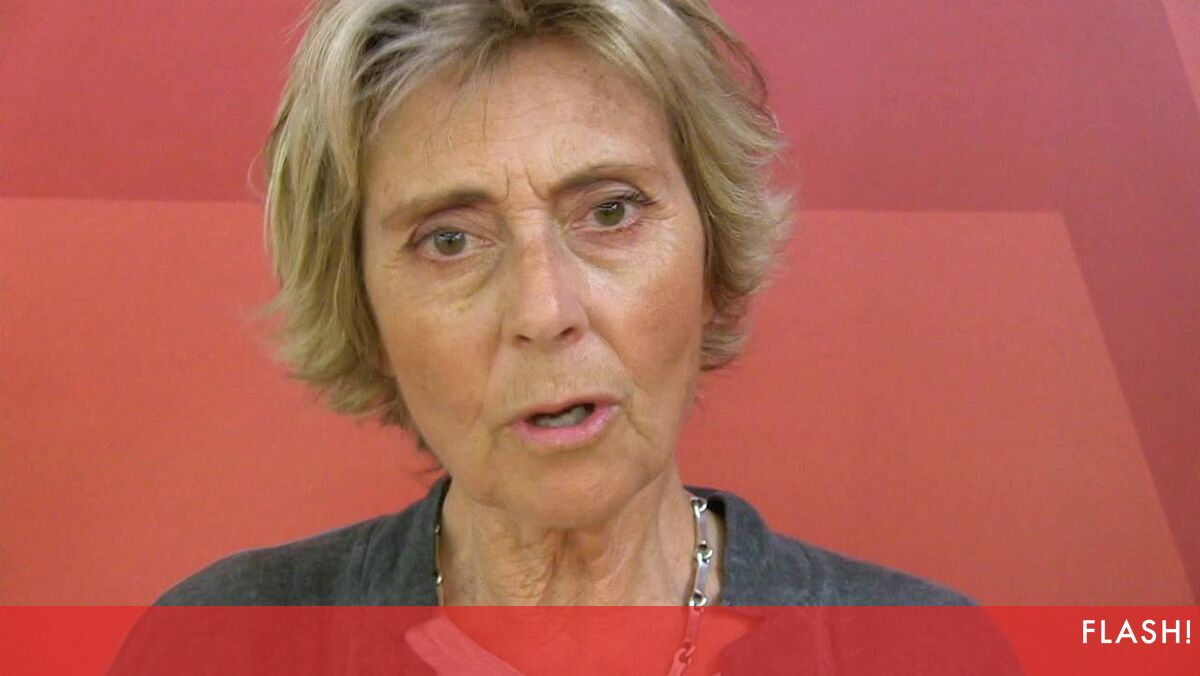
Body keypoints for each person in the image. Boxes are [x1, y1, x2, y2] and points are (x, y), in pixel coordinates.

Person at [133, 1, 1017, 673]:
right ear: (361, 307)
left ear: (712, 253)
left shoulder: (925, 652)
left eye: (610, 212)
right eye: (450, 240)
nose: (544, 308)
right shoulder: (218, 645)